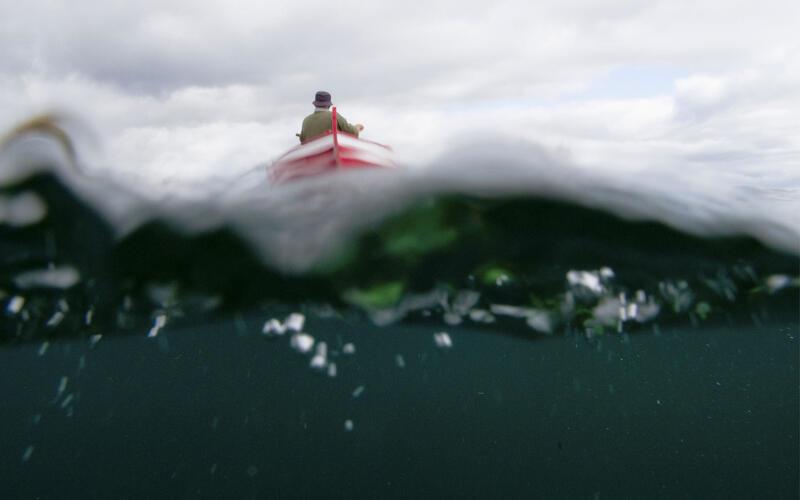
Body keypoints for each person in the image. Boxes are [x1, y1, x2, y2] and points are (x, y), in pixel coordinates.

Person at [298, 91, 364, 143]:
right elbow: (353, 132)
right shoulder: (335, 116)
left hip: (312, 154)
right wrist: (357, 127)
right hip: (330, 150)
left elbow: (302, 140)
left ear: (315, 104)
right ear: (329, 105)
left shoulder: (306, 120)